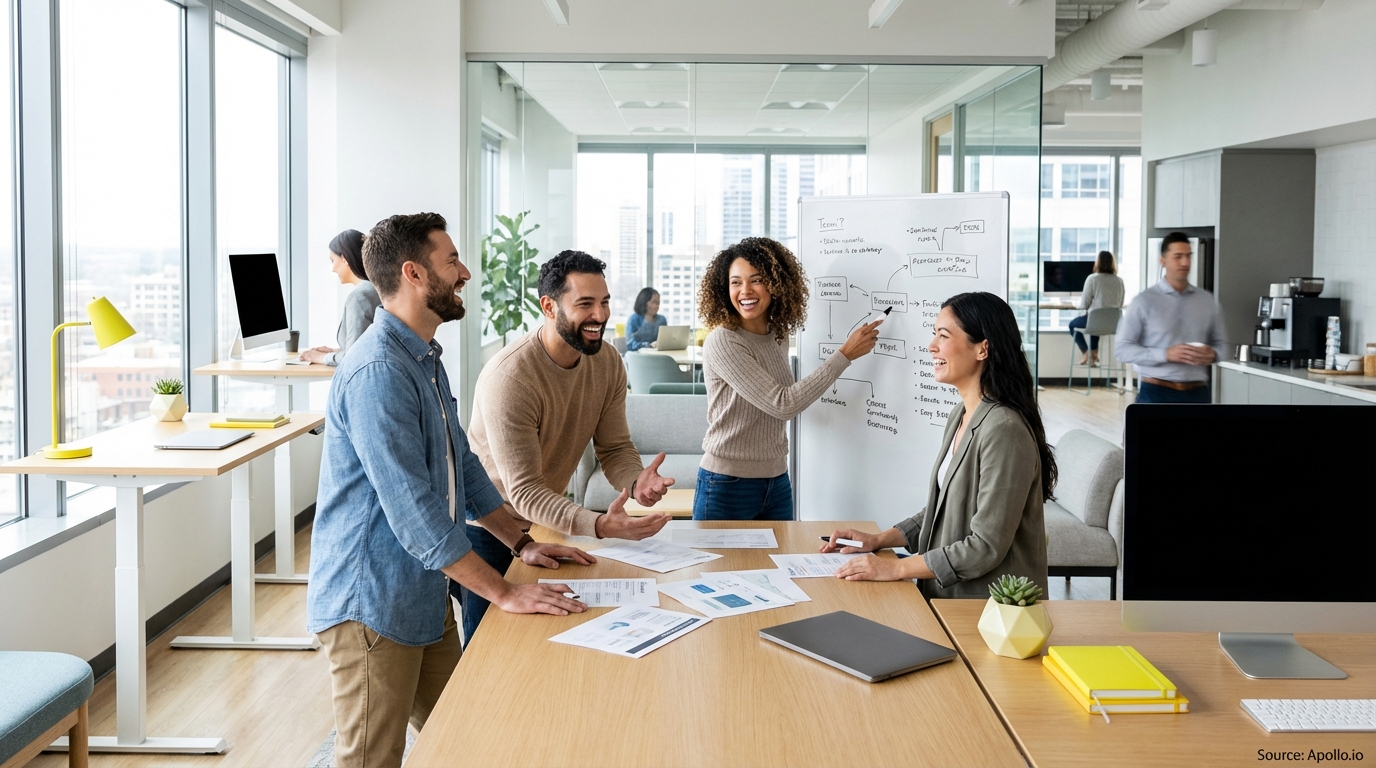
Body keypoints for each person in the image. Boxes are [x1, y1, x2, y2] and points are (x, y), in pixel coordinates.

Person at [306, 213, 591, 768]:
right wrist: (504, 593)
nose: (464, 272)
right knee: (370, 758)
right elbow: (414, 512)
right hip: (371, 602)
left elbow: (463, 462)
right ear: (414, 274)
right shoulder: (377, 372)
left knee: (462, 732)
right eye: (451, 261)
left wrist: (520, 543)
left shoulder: (423, 356)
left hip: (422, 590)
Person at [464, 250, 675, 642]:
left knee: (547, 644)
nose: (600, 314)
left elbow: (614, 448)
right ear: (549, 306)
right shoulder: (510, 378)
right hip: (488, 530)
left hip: (546, 525)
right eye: (585, 304)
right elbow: (523, 491)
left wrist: (635, 482)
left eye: (605, 302)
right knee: (487, 652)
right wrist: (597, 525)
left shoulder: (608, 362)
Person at [820, 292, 1054, 599]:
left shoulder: (1004, 430)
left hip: (988, 610)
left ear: (983, 348)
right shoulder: (963, 414)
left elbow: (985, 546)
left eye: (943, 336)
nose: (932, 346)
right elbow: (943, 509)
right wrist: (879, 540)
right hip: (949, 596)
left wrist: (897, 569)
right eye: (934, 335)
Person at [696, 237, 882, 521]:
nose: (745, 290)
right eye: (735, 282)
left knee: (774, 566)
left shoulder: (777, 335)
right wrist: (844, 354)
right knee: (720, 567)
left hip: (777, 480)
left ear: (776, 283)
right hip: (726, 483)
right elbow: (782, 404)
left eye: (756, 280)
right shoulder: (723, 340)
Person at [1115, 232, 1229, 404]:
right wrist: (1165, 354)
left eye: (1188, 256)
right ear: (1163, 261)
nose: (1185, 262)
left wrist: (1214, 354)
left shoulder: (1207, 301)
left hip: (1198, 394)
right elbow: (1122, 350)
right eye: (1178, 257)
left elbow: (1224, 346)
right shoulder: (1143, 301)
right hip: (1155, 392)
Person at [299, 229, 382, 366]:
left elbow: (354, 357)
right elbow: (368, 347)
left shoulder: (360, 296)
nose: (333, 269)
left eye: (333, 260)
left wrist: (320, 358)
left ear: (344, 259)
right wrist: (334, 351)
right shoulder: (377, 289)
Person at [1068, 250, 1126, 366]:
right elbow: (1120, 304)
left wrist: (1076, 304)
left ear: (1097, 263)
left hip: (1096, 322)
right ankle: (1094, 353)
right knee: (1095, 324)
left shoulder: (1093, 279)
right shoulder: (1119, 281)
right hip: (1114, 324)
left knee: (1073, 325)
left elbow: (1084, 305)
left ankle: (1086, 352)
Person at [625, 287, 668, 352]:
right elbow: (630, 344)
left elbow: (665, 341)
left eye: (658, 303)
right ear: (644, 302)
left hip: (657, 356)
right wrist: (649, 345)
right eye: (654, 302)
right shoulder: (634, 319)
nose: (657, 306)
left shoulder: (662, 320)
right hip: (637, 357)